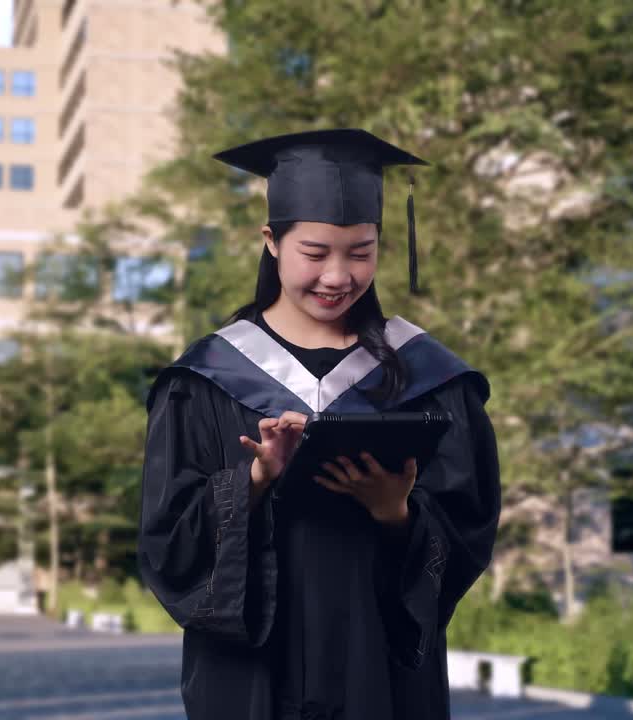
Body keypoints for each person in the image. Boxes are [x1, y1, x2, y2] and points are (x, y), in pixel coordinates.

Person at [138, 128, 501, 720]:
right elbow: (165, 539)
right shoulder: (203, 379)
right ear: (272, 242)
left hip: (377, 666)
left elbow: (468, 528)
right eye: (315, 253)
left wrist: (396, 513)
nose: (338, 276)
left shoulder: (431, 377)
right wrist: (250, 482)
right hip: (254, 673)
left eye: (361, 252)